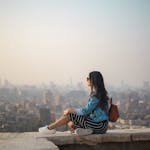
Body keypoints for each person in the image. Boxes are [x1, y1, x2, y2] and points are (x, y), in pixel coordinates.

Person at [39, 71, 109, 135]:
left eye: (88, 78)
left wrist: (71, 110)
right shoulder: (101, 94)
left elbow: (86, 110)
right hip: (101, 126)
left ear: (93, 80)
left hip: (99, 125)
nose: (87, 80)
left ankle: (49, 128)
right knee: (70, 122)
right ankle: (87, 130)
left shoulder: (96, 95)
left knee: (70, 116)